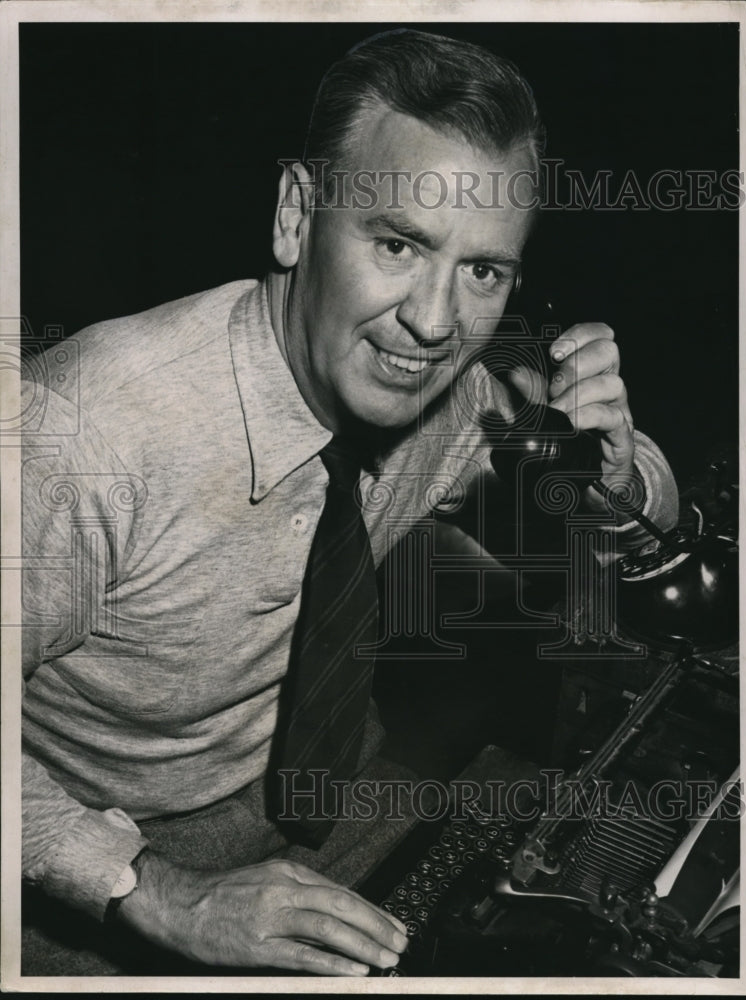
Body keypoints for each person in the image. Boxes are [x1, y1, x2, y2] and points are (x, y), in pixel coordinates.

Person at [20, 28, 678, 977]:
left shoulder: (444, 399)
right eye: (399, 244)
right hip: (86, 839)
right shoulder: (80, 435)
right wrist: (153, 891)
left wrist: (616, 484)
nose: (436, 324)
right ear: (296, 214)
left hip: (315, 780)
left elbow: (582, 554)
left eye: (483, 270)